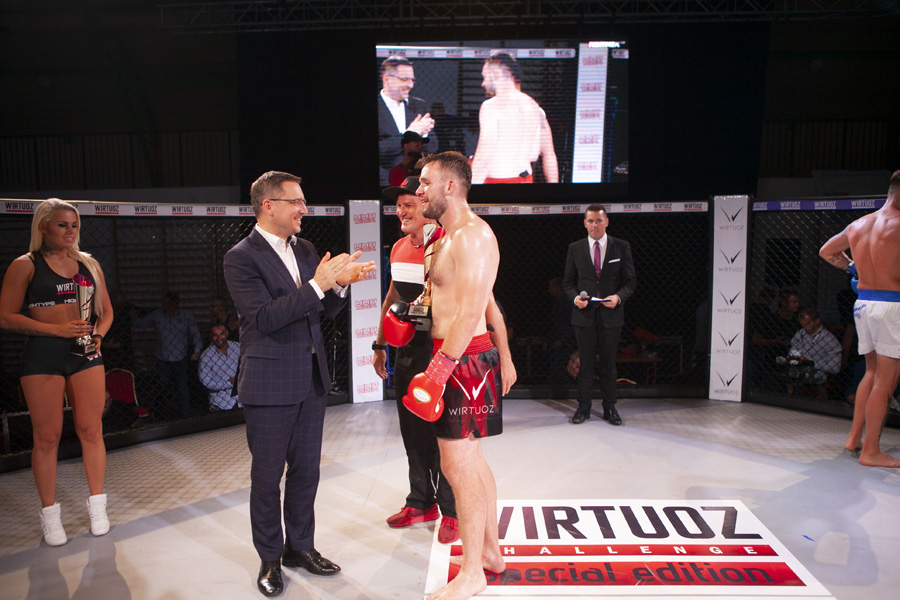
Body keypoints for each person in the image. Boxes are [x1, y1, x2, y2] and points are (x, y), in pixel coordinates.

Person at [223, 170, 374, 597]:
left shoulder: (305, 249)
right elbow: (265, 318)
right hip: (269, 383)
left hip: (311, 380)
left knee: (307, 472)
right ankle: (270, 558)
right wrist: (318, 284)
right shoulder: (241, 257)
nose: (304, 210)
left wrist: (338, 287)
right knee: (267, 478)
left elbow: (320, 310)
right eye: (297, 202)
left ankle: (300, 548)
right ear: (269, 205)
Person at [372, 176, 515, 546]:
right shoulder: (399, 248)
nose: (402, 210)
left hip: (447, 349)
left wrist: (505, 356)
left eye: (410, 202)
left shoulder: (453, 242)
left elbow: (485, 305)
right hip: (410, 348)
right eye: (399, 205)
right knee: (413, 431)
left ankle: (453, 511)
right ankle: (421, 503)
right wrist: (380, 342)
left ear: (427, 205)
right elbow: (392, 296)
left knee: (451, 445)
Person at [402, 151, 506, 600]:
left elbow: (470, 312)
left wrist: (440, 369)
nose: (418, 190)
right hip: (459, 358)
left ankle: (473, 574)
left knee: (458, 468)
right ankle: (491, 553)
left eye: (425, 182)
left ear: (450, 186)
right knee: (472, 463)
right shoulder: (446, 237)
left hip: (463, 360)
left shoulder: (473, 236)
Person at [0, 198, 113, 546]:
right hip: (43, 355)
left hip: (84, 355)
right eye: (62, 224)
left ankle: (98, 507)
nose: (70, 231)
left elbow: (106, 312)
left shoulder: (89, 264)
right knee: (47, 437)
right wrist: (56, 331)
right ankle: (50, 516)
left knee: (91, 430)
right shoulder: (25, 265)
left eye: (74, 225)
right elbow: (6, 317)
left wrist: (98, 336)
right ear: (43, 227)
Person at [819, 170, 900, 468]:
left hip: (863, 304)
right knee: (886, 382)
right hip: (892, 307)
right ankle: (871, 452)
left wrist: (854, 268)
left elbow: (827, 251)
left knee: (871, 372)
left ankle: (854, 439)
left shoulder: (859, 224)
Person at [563, 204, 637, 426]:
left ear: (607, 222)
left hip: (611, 315)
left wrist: (618, 298)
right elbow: (568, 283)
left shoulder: (621, 247)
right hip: (584, 316)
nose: (594, 225)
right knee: (585, 364)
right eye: (590, 221)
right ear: (585, 223)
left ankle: (610, 407)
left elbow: (630, 281)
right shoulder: (575, 248)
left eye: (598, 220)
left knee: (608, 364)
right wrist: (576, 299)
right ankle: (583, 408)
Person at [470, 52, 558, 185]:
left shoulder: (492, 106)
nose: (483, 84)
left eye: (485, 77)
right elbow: (549, 154)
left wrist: (469, 191)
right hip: (525, 180)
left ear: (495, 74)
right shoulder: (535, 108)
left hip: (498, 182)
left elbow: (483, 157)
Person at [132, 291, 203, 418]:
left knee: (182, 385)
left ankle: (185, 413)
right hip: (162, 356)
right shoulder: (157, 315)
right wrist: (134, 316)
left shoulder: (186, 316)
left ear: (175, 303)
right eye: (163, 302)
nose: (164, 305)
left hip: (180, 356)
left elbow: (195, 333)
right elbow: (141, 324)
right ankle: (162, 413)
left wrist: (197, 351)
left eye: (167, 303)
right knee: (162, 385)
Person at [378, 56, 436, 186]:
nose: (410, 85)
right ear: (386, 79)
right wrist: (409, 134)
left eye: (412, 80)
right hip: (385, 181)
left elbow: (433, 146)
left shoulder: (420, 106)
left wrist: (423, 134)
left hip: (418, 182)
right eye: (404, 79)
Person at [788, 306, 842, 394]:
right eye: (802, 324)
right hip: (798, 373)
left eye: (808, 324)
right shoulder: (800, 334)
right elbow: (792, 352)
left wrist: (811, 363)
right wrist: (796, 358)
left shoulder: (829, 340)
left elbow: (835, 367)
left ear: (817, 321)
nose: (805, 327)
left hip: (818, 377)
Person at [199, 323, 240, 411]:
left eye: (221, 334)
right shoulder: (206, 356)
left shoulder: (237, 347)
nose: (219, 338)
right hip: (220, 403)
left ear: (227, 333)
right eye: (215, 335)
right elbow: (206, 382)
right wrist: (229, 384)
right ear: (211, 336)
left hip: (241, 399)